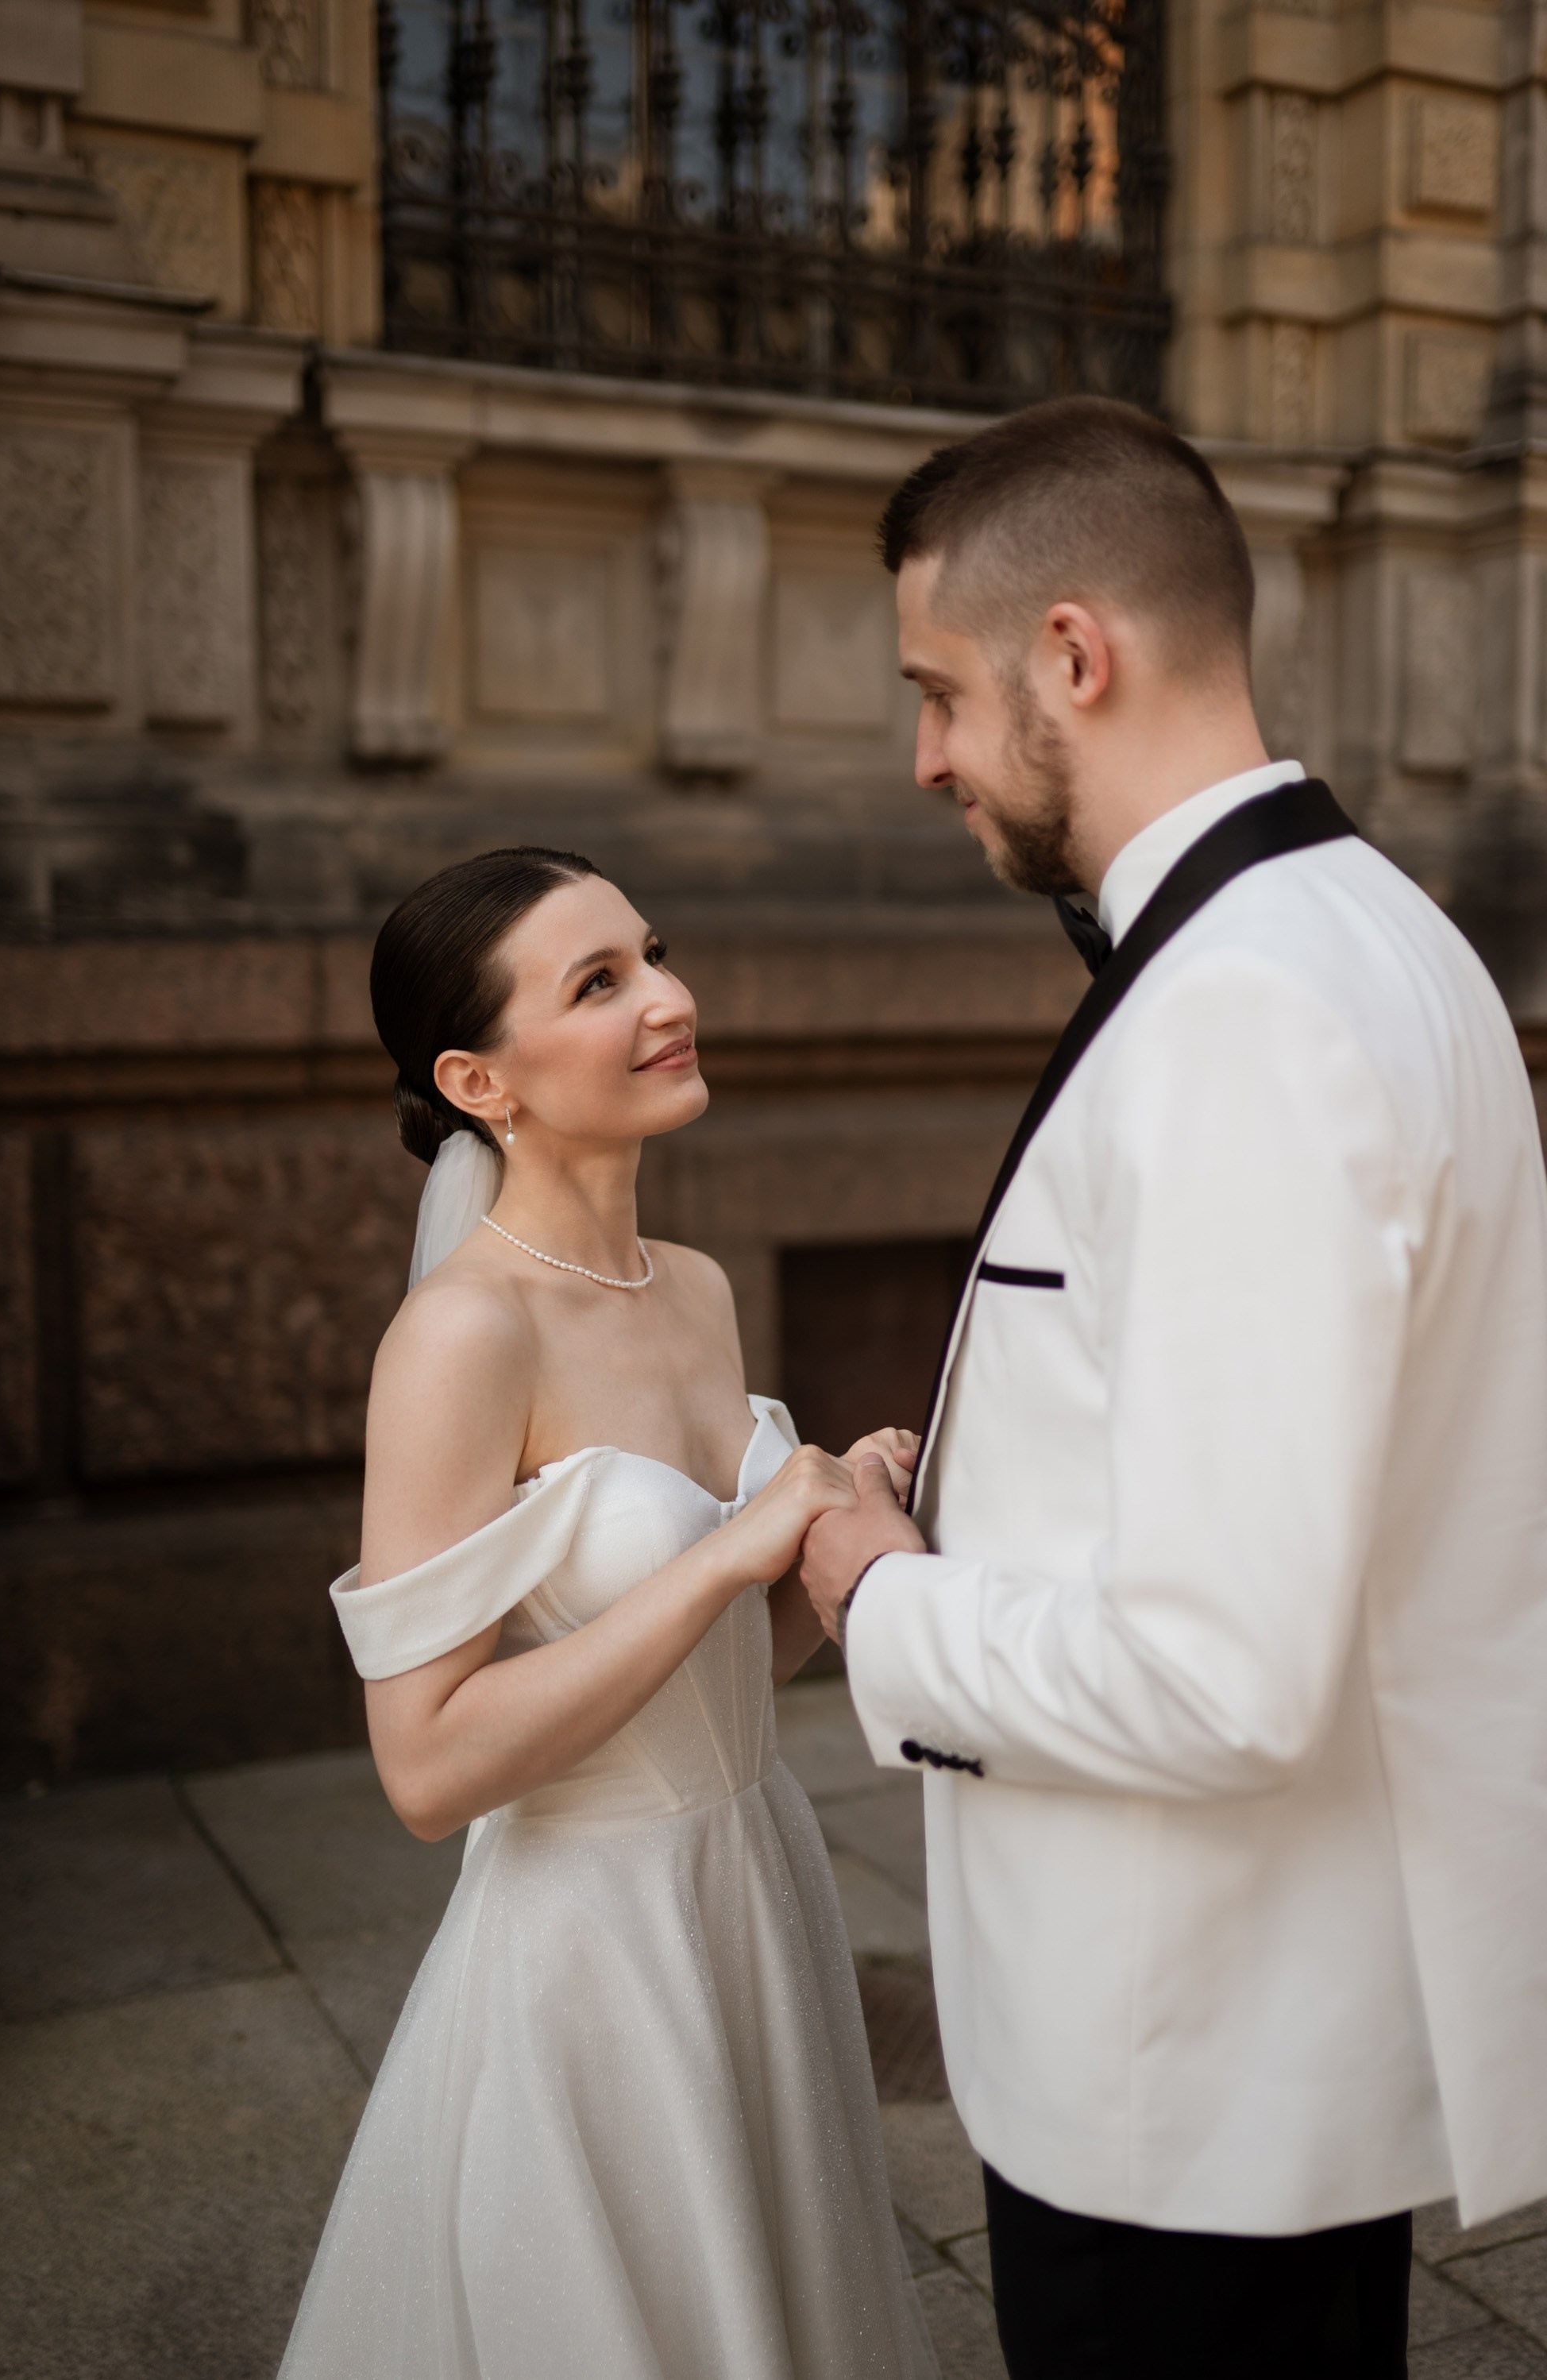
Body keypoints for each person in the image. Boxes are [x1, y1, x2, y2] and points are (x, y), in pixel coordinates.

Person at [798, 396, 1547, 2379]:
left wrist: (875, 1591)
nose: (926, 756)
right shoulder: (1378, 931)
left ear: (1071, 654)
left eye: (936, 693)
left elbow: (1218, 1669)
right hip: (1257, 2047)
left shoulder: (1248, 1015)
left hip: (1178, 2078)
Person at [278, 848, 936, 2380]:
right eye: (599, 984)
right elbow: (427, 1772)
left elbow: (730, 1676)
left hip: (755, 1878)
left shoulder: (692, 1286)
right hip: (594, 1945)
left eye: (651, 953)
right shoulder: (459, 1337)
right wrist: (725, 1553)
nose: (669, 999)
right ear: (477, 1079)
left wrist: (840, 1548)